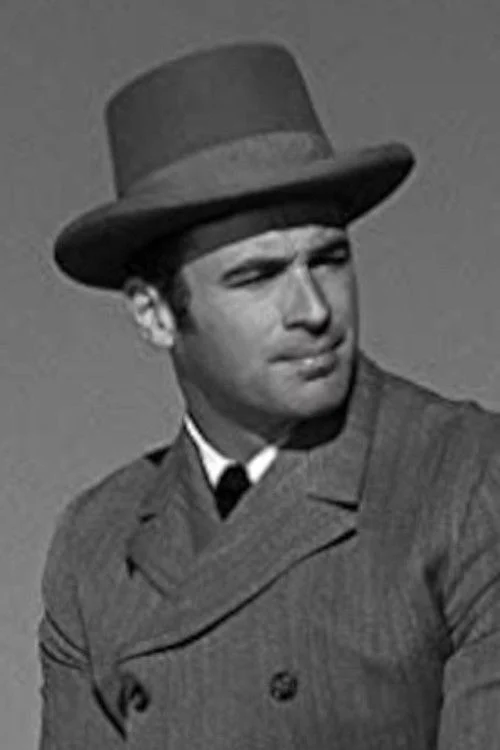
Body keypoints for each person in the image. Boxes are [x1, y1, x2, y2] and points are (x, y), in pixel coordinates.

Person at [38, 41, 500, 749]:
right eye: (257, 277)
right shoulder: (95, 546)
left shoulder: (466, 478)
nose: (313, 309)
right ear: (154, 313)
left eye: (329, 259)